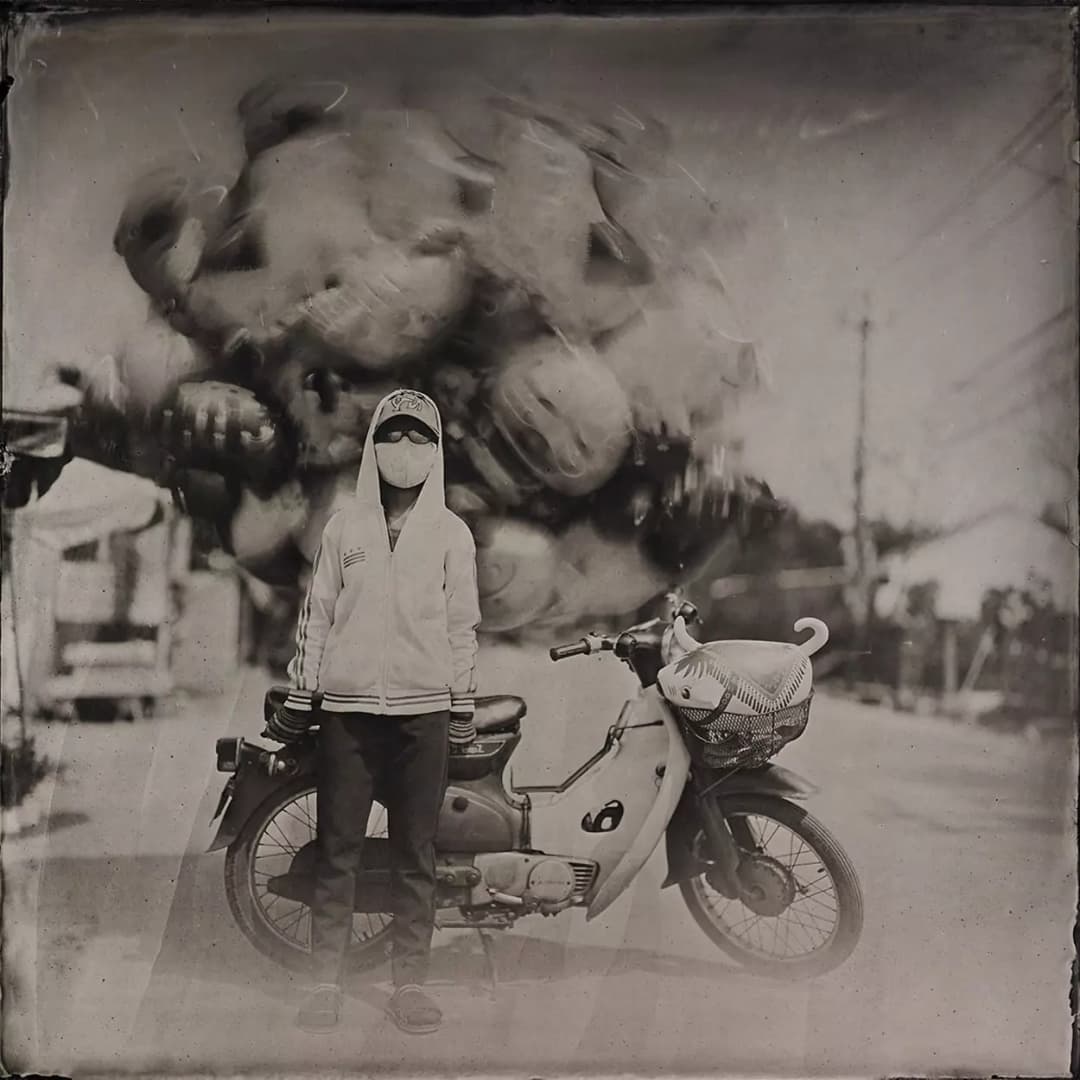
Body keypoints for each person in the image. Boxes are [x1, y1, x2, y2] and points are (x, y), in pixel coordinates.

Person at [266, 387, 481, 1036]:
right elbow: (318, 617)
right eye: (394, 436)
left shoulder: (451, 533)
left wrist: (462, 701)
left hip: (424, 713)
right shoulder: (344, 529)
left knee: (416, 851)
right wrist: (303, 694)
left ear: (436, 451)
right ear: (372, 447)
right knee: (339, 849)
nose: (406, 451)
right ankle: (326, 981)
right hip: (348, 714)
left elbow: (462, 625)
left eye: (421, 439)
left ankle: (409, 983)